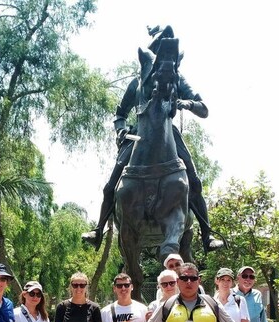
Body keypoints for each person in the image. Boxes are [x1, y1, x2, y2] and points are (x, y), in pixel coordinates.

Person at [82, 26, 223, 254]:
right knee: (110, 186)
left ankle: (207, 235)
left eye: (168, 51)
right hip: (138, 135)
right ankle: (98, 230)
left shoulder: (177, 79)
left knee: (194, 182)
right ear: (154, 52)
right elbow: (120, 113)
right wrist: (120, 129)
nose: (164, 55)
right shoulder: (136, 84)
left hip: (170, 135)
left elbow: (204, 109)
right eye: (159, 49)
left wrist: (187, 103)